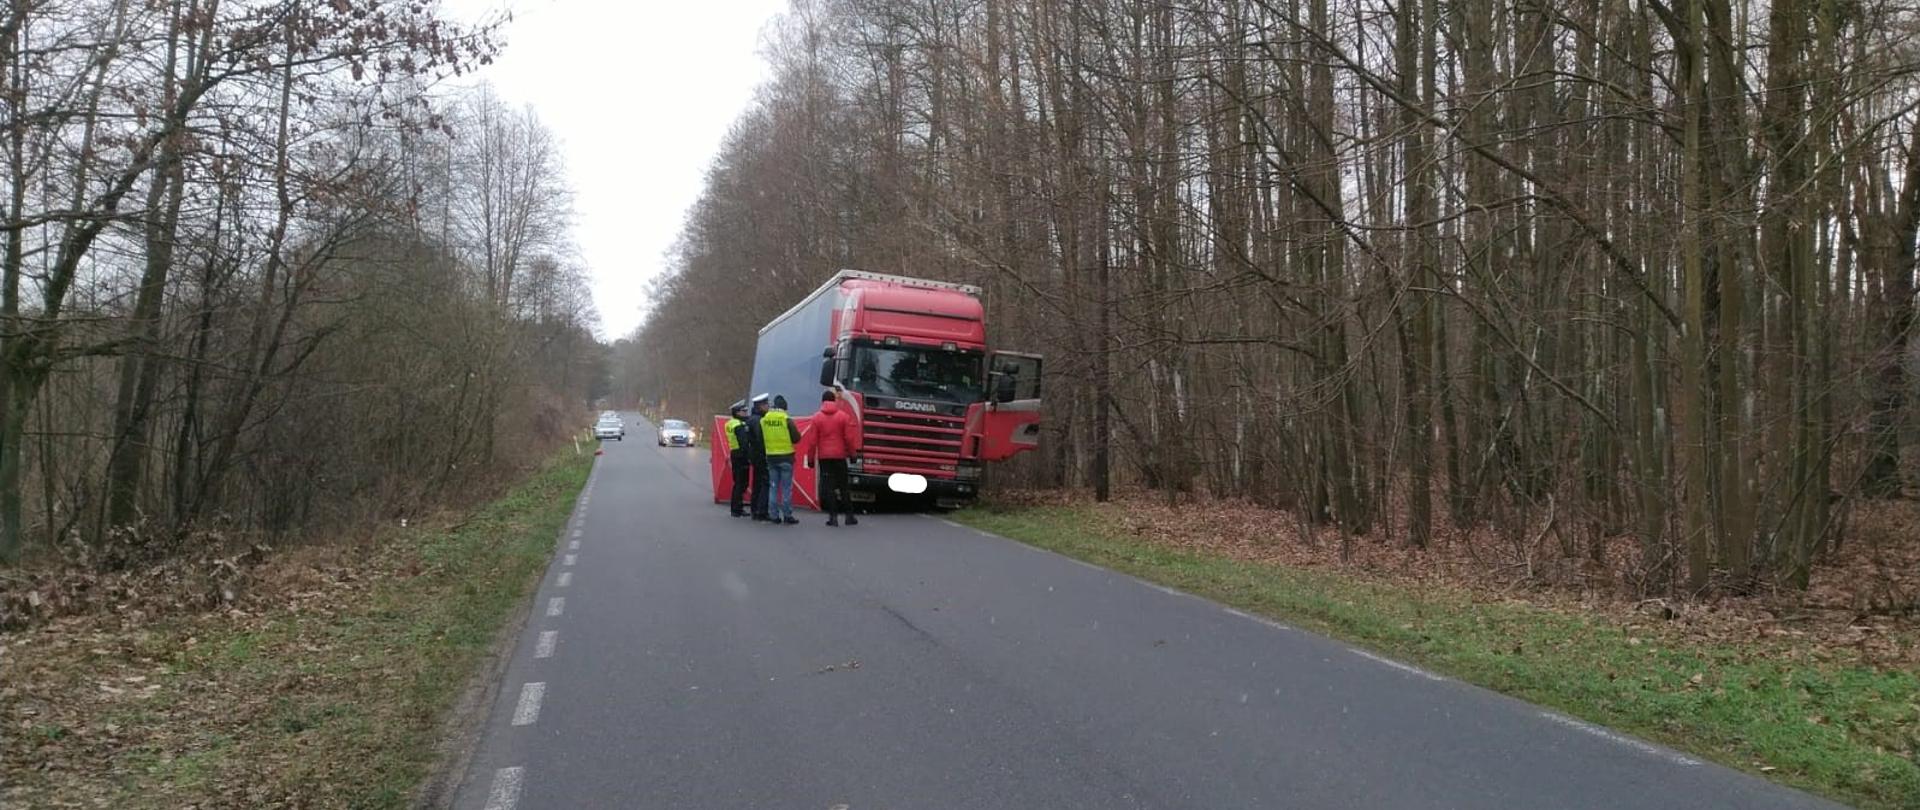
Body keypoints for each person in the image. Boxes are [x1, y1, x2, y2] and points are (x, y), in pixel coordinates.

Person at [797, 389, 860, 526]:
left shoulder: (817, 418)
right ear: (834, 400)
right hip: (839, 456)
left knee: (829, 487)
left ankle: (833, 517)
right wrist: (853, 455)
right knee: (844, 486)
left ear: (822, 401)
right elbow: (849, 439)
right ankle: (849, 516)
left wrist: (811, 459)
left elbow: (812, 442)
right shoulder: (843, 417)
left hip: (825, 458)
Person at [758, 394, 802, 525]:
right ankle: (787, 515)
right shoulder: (786, 418)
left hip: (771, 457)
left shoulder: (764, 419)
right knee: (786, 488)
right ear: (784, 407)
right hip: (786, 457)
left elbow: (761, 438)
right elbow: (796, 438)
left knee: (773, 486)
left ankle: (774, 515)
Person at [747, 393, 772, 521]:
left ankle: (754, 509)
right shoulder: (758, 421)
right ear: (760, 406)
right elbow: (761, 439)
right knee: (764, 482)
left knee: (757, 482)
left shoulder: (751, 418)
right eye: (766, 404)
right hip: (760, 455)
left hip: (754, 455)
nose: (768, 407)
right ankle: (761, 511)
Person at [724, 401, 752, 517]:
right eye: (744, 411)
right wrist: (749, 457)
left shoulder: (730, 423)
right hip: (741, 455)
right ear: (737, 412)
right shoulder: (739, 426)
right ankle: (737, 508)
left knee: (737, 482)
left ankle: (735, 507)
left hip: (734, 453)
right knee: (742, 483)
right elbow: (744, 443)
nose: (746, 413)